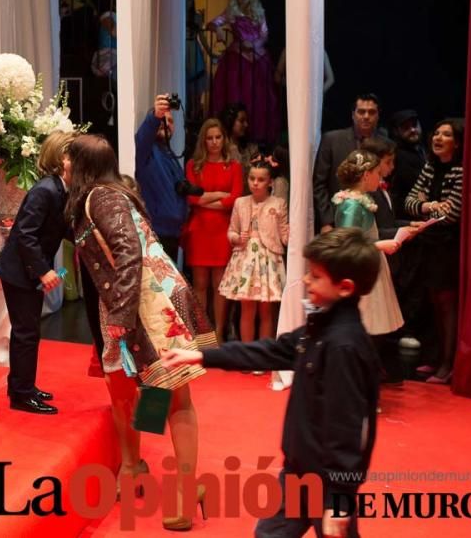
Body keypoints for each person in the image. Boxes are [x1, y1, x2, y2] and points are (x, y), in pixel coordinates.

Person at [163, 228, 382, 538]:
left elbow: (348, 431)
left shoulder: (344, 346)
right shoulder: (320, 325)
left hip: (327, 484)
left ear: (345, 288)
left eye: (316, 276)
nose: (306, 281)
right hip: (298, 472)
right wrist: (203, 356)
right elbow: (270, 351)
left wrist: (340, 498)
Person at [68, 134, 216, 531]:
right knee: (126, 388)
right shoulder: (106, 195)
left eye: (67, 160)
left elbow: (130, 252)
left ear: (81, 164)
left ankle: (187, 488)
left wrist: (120, 311)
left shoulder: (101, 197)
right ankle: (132, 468)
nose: (62, 167)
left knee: (173, 394)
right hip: (134, 298)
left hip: (148, 302)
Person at [0, 131, 76, 414]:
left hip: (25, 271)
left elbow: (64, 229)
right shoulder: (46, 190)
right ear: (62, 158)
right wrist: (43, 272)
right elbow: (25, 235)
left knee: (28, 332)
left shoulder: (60, 189)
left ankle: (22, 386)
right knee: (26, 332)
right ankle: (21, 394)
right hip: (19, 272)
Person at [404, 119, 464, 385]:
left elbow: (452, 213)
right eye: (436, 132)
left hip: (448, 245)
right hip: (428, 244)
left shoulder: (461, 170)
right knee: (433, 303)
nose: (438, 138)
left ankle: (449, 364)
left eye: (446, 135)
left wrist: (429, 207)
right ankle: (438, 357)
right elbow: (410, 202)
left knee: (446, 304)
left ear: (458, 142)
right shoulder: (430, 166)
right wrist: (430, 206)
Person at [360, 137, 424, 383]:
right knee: (372, 324)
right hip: (369, 264)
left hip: (384, 262)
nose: (392, 167)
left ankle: (381, 373)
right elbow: (364, 236)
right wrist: (401, 234)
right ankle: (369, 377)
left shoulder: (382, 192)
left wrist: (408, 225)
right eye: (388, 162)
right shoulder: (361, 199)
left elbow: (385, 225)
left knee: (382, 324)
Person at [332, 150, 404, 344]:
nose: (380, 179)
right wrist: (381, 245)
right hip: (360, 266)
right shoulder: (352, 205)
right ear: (366, 175)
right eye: (377, 174)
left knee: (370, 323)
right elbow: (348, 242)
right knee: (364, 319)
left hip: (370, 261)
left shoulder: (360, 201)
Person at [182, 118, 244, 342]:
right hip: (199, 229)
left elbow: (235, 198)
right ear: (203, 141)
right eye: (210, 138)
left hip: (222, 230)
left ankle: (219, 333)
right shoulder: (193, 165)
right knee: (199, 284)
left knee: (219, 285)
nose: (215, 142)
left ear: (224, 139)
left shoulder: (234, 166)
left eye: (218, 137)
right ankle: (202, 332)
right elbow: (190, 197)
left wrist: (204, 198)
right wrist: (219, 195)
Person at [218, 160, 289, 352]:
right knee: (247, 309)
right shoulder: (240, 202)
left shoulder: (278, 204)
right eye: (252, 178)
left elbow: (285, 235)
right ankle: (247, 353)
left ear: (270, 182)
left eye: (260, 179)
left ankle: (263, 354)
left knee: (266, 310)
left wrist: (293, 234)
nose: (255, 183)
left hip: (268, 259)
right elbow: (231, 230)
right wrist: (237, 238)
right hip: (245, 258)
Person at [208, 0, 279, 144]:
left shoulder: (259, 12)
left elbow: (264, 34)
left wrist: (253, 45)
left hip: (258, 59)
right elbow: (212, 23)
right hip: (237, 59)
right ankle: (232, 135)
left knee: (260, 98)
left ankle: (258, 136)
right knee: (235, 94)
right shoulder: (231, 12)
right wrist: (218, 29)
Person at [313, 93, 387, 233]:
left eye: (371, 112)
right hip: (338, 218)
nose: (366, 116)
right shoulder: (332, 140)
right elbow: (319, 184)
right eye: (361, 111)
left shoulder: (385, 144)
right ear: (353, 114)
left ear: (378, 115)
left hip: (377, 222)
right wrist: (326, 221)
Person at [134, 94, 194, 262]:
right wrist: (155, 115)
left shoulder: (170, 155)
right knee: (159, 287)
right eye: (162, 120)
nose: (166, 124)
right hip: (155, 232)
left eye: (170, 121)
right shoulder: (146, 151)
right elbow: (142, 137)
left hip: (173, 233)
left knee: (170, 287)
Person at [388, 109, 426, 221]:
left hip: (422, 212)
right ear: (396, 131)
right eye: (406, 127)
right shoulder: (395, 154)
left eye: (414, 125)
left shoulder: (423, 149)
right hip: (405, 218)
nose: (413, 130)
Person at [219, 102, 261, 185]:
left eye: (246, 121)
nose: (246, 125)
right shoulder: (220, 148)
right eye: (241, 121)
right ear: (230, 121)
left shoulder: (251, 148)